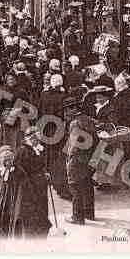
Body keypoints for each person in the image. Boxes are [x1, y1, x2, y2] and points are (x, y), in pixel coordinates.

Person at [9, 126, 52, 238]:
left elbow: (39, 166)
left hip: (39, 187)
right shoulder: (22, 151)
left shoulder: (37, 149)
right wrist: (34, 180)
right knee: (30, 213)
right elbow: (18, 172)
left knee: (40, 210)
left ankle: (40, 233)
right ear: (30, 138)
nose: (38, 141)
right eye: (36, 139)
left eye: (38, 139)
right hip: (29, 188)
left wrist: (44, 173)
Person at [64, 97, 97, 225]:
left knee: (75, 186)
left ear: (73, 109)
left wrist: (69, 159)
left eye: (67, 110)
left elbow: (73, 145)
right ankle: (89, 213)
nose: (66, 113)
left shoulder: (74, 123)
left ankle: (77, 217)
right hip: (90, 157)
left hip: (77, 159)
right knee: (87, 185)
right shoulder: (89, 120)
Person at [38, 74, 71, 200]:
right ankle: (56, 178)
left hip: (45, 127)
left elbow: (39, 112)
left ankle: (49, 175)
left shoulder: (43, 95)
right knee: (57, 155)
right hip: (58, 129)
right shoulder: (64, 97)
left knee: (47, 152)